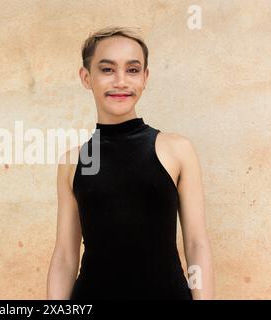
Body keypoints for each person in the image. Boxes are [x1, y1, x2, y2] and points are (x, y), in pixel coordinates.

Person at [46, 26, 215, 299]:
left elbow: (196, 244)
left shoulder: (177, 150)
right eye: (107, 69)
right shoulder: (75, 160)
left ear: (145, 77)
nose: (121, 81)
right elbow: (65, 255)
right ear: (86, 77)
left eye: (133, 70)